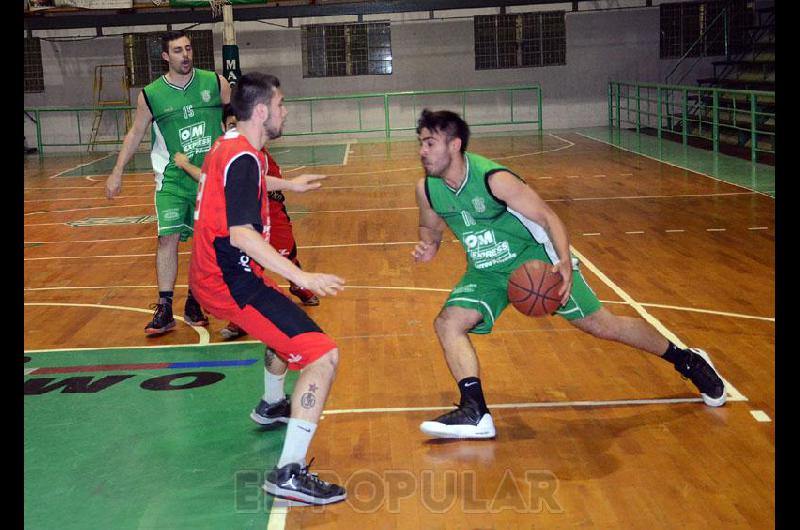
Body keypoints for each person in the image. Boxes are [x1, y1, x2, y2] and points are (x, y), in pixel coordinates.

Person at [412, 109, 727, 440]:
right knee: (448, 323)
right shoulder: (429, 189)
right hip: (486, 271)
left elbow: (548, 218)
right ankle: (475, 412)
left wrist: (563, 261)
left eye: (430, 143)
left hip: (534, 263)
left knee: (603, 325)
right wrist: (428, 245)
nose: (422, 150)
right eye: (421, 143)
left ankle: (686, 360)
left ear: (455, 145)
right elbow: (429, 228)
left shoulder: (494, 179)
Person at [190, 72, 346, 505]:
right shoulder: (244, 158)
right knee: (321, 355)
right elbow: (242, 234)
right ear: (261, 112)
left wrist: (288, 184)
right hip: (230, 282)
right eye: (280, 104)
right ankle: (289, 472)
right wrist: (302, 277)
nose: (285, 111)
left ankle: (272, 404)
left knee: (285, 329)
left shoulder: (230, 146)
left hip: (221, 274)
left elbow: (241, 187)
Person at [105, 30, 231, 335]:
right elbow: (135, 133)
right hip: (172, 178)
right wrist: (117, 171)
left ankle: (194, 301)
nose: (185, 55)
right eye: (177, 50)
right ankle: (164, 307)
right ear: (166, 56)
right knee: (167, 239)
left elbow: (234, 117)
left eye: (188, 49)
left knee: (209, 245)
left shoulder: (215, 82)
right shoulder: (151, 94)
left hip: (210, 178)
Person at [174, 104, 320, 342]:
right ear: (224, 127)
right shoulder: (230, 155)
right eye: (232, 126)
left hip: (271, 216)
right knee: (251, 267)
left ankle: (298, 285)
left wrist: (291, 184)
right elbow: (208, 178)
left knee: (285, 256)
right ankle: (236, 316)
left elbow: (261, 181)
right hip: (240, 237)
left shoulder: (255, 156)